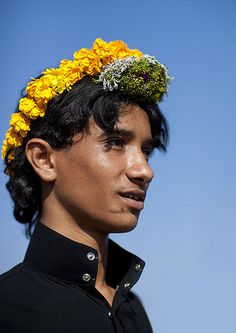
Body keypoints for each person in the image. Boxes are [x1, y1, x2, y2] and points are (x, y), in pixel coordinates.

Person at [0, 38, 171, 332]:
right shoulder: (7, 308)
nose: (145, 170)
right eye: (115, 143)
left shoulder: (133, 310)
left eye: (146, 150)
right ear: (44, 159)